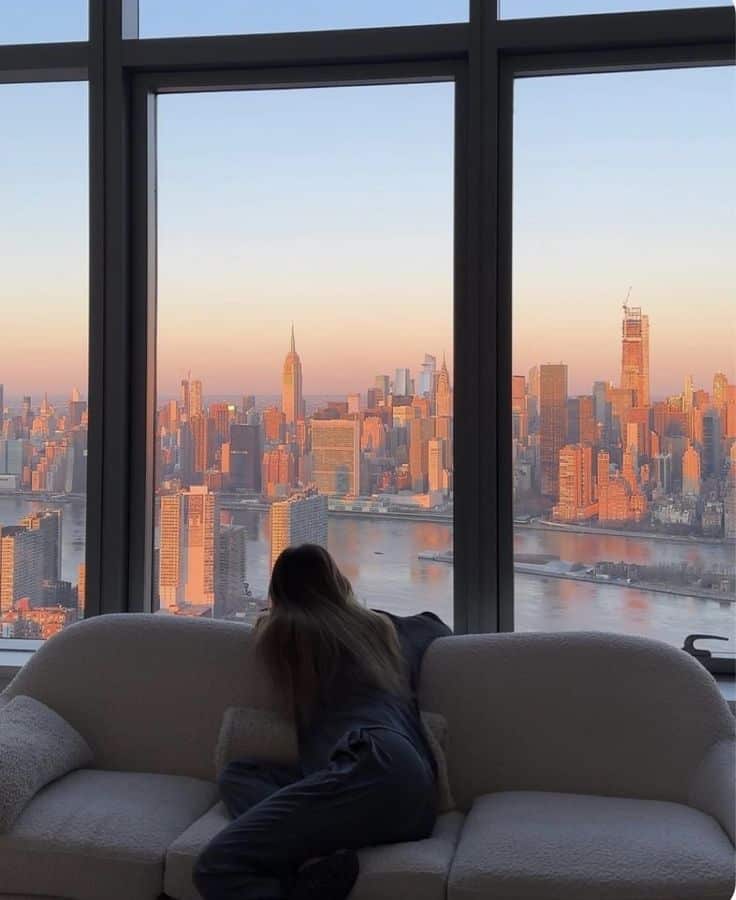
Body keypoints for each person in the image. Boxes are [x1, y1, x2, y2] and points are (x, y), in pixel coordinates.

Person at [194, 543, 452, 900]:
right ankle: (316, 858)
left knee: (217, 865)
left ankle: (300, 867)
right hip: (411, 793)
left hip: (366, 764)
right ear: (339, 583)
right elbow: (437, 627)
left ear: (278, 595)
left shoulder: (287, 630)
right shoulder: (386, 629)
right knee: (239, 775)